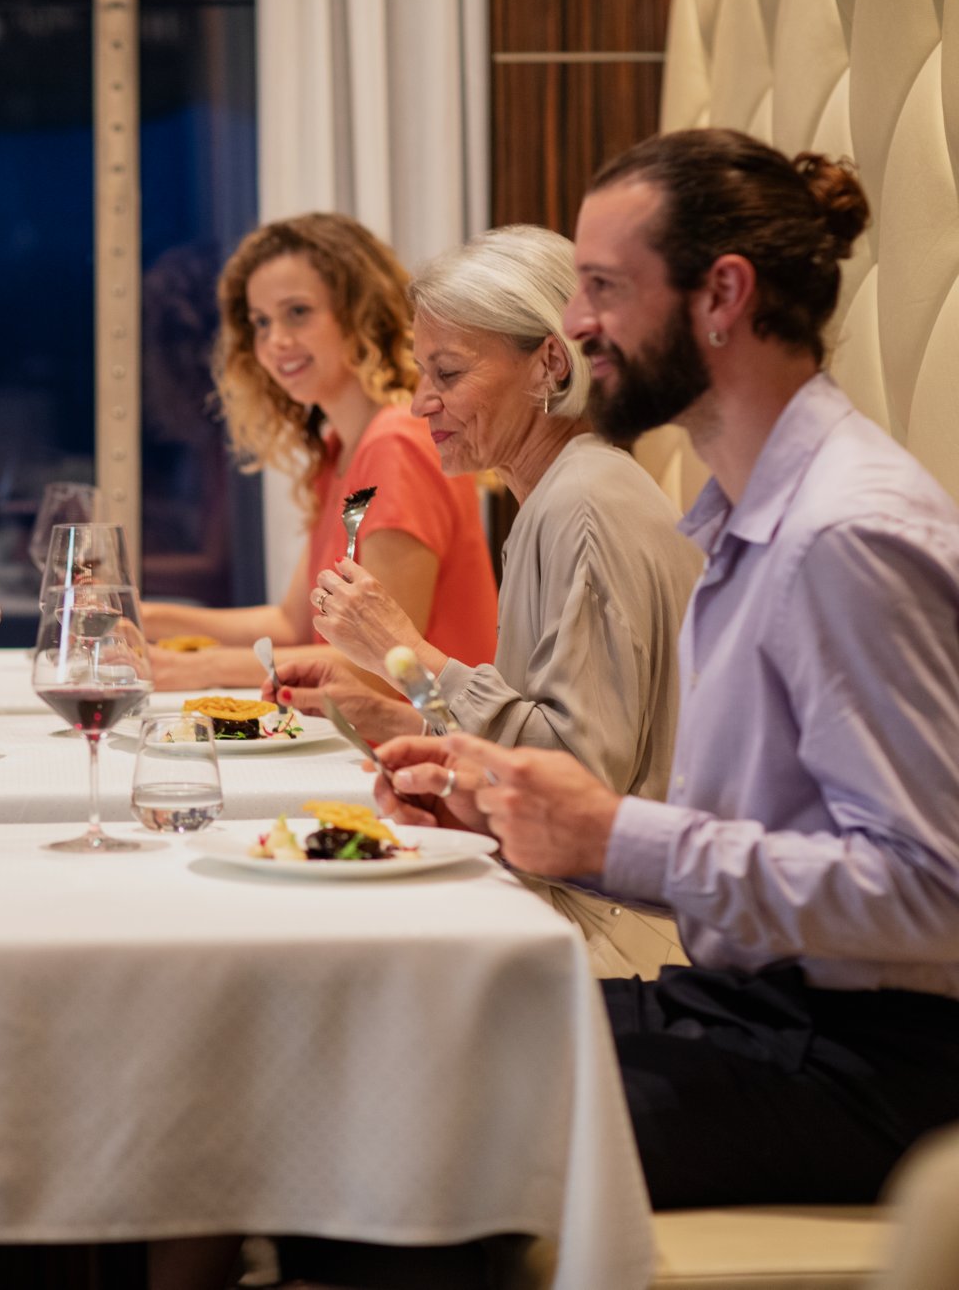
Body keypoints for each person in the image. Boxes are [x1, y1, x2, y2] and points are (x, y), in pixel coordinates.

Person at [373, 130, 959, 1207]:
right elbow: (727, 844)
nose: (576, 323)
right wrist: (518, 812)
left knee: (405, 1125)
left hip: (872, 1061)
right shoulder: (742, 520)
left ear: (720, 297)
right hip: (752, 1008)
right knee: (385, 1038)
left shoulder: (842, 534)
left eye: (599, 286)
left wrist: (611, 833)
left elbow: (932, 893)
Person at [274, 225, 704, 979]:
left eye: (447, 373)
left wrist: (406, 655)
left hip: (620, 931)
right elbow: (543, 733)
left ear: (548, 362)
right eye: (421, 372)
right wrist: (401, 713)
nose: (420, 402)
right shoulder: (557, 493)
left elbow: (576, 783)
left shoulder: (586, 504)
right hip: (581, 894)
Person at [141, 213, 497, 689]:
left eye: (298, 313)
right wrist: (143, 615)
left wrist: (193, 669)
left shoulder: (399, 443)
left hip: (431, 742)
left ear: (359, 313)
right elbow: (290, 625)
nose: (276, 341)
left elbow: (388, 666)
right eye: (261, 323)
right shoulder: (340, 448)